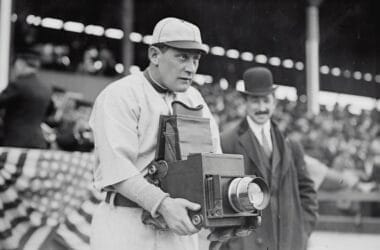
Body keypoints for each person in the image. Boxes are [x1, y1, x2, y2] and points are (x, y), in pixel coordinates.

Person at [89, 17, 224, 250]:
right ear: (154, 55)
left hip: (178, 230)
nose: (190, 68)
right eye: (182, 57)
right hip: (127, 224)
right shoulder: (120, 95)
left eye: (195, 59)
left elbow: (214, 162)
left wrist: (223, 214)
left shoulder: (194, 98)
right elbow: (117, 170)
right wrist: (162, 204)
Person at [220, 67, 318, 250]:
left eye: (266, 100)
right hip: (247, 244)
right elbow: (220, 198)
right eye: (255, 101)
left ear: (274, 102)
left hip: (288, 242)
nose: (261, 107)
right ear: (245, 103)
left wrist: (302, 230)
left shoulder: (291, 143)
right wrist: (234, 242)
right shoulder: (227, 141)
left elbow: (307, 191)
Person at [0, 50, 52, 149]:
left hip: (15, 141)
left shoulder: (18, 84)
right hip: (38, 142)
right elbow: (49, 112)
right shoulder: (46, 88)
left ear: (20, 64)